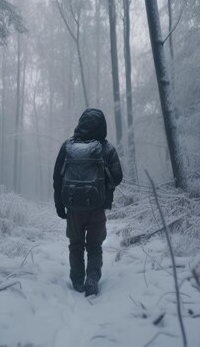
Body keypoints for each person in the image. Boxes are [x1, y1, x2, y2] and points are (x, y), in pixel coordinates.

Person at [53, 108, 123, 296]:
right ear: (102, 126)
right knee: (94, 246)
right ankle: (92, 278)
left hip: (73, 207)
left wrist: (59, 205)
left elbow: (57, 178)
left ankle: (77, 280)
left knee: (75, 245)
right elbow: (118, 177)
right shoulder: (106, 148)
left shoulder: (67, 146)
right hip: (97, 207)